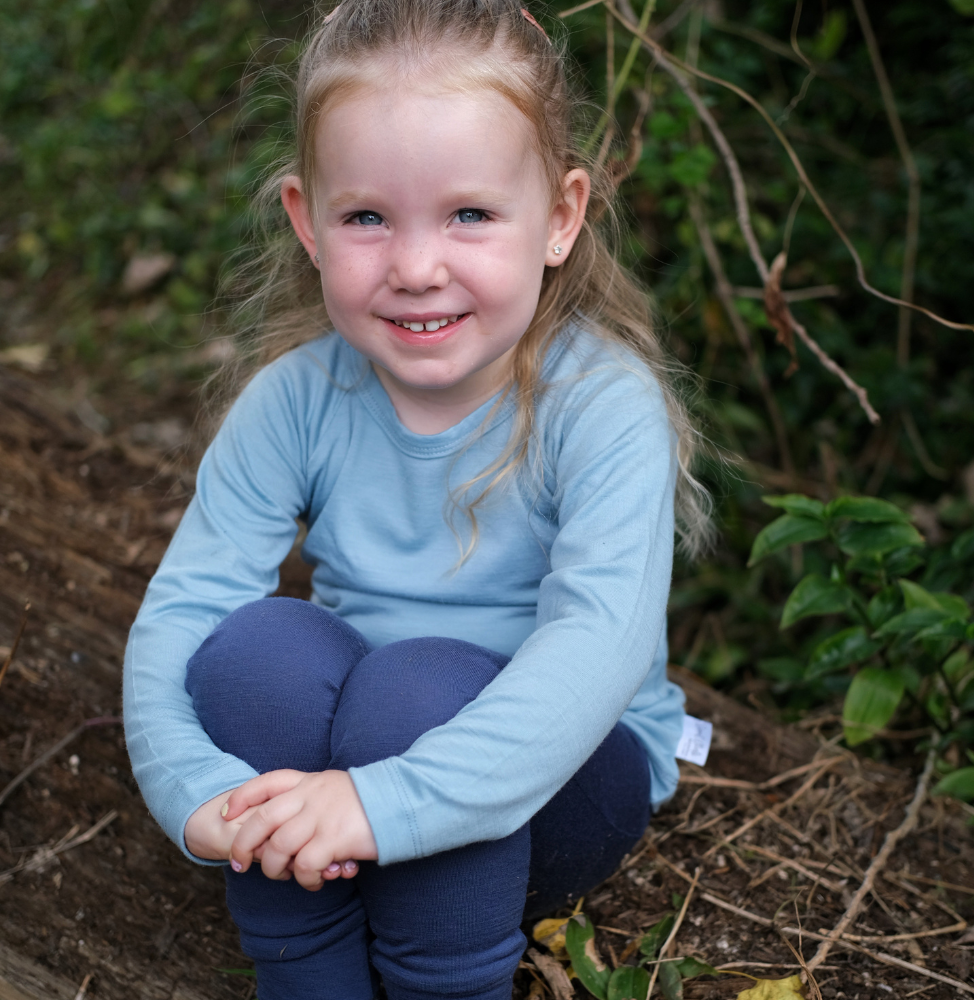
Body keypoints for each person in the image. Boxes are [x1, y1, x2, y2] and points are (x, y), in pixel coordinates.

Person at [123, 2, 710, 998]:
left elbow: (593, 650)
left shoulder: (601, 405)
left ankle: (447, 981)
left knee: (417, 687)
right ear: (308, 221)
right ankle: (306, 974)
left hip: (557, 781)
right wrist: (202, 793)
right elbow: (185, 611)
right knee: (259, 651)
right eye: (367, 217)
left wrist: (381, 803)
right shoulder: (296, 398)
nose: (415, 266)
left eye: (469, 213)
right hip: (350, 777)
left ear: (560, 216)